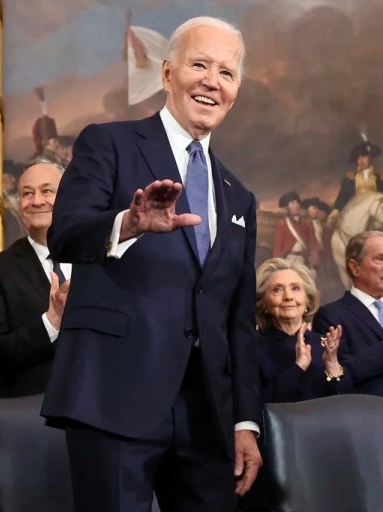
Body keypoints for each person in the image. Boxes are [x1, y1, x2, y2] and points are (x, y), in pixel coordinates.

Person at [41, 16, 263, 511]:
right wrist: (128, 223)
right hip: (113, 396)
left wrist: (245, 421)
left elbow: (237, 320)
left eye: (226, 73)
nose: (212, 81)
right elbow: (65, 234)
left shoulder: (240, 197)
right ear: (166, 73)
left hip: (205, 419)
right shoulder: (108, 142)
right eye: (199, 64)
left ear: (236, 91)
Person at [0, 158, 70, 398]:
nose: (37, 201)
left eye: (47, 191)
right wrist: (50, 324)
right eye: (27, 193)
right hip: (30, 418)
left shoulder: (97, 258)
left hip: (98, 411)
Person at [313, 230, 383, 398]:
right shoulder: (331, 316)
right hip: (370, 416)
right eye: (380, 258)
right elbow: (340, 374)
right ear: (355, 267)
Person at [255, 258, 352, 402]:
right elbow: (257, 404)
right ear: (264, 304)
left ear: (307, 300)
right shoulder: (253, 346)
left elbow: (348, 401)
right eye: (277, 289)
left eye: (295, 288)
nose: (288, 297)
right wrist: (299, 366)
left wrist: (332, 364)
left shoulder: (325, 345)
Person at [331, 137, 383, 215]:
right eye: (358, 158)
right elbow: (342, 197)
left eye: (364, 157)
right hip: (355, 212)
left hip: (375, 212)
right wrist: (336, 210)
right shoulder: (349, 178)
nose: (361, 161)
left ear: (370, 158)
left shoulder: (381, 178)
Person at [272, 190, 318, 269]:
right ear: (288, 207)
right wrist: (277, 264)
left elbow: (313, 243)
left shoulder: (307, 222)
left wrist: (314, 261)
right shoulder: (282, 224)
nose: (296, 205)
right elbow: (277, 246)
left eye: (297, 203)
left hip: (304, 259)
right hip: (288, 260)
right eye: (293, 203)